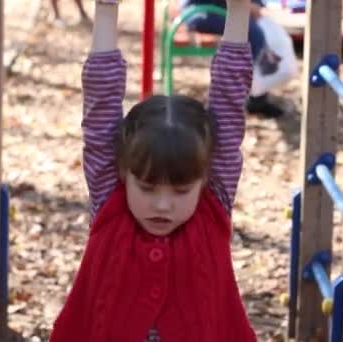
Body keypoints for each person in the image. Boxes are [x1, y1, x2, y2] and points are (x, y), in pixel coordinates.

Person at [49, 0, 257, 340]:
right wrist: (105, 10)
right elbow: (100, 107)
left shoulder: (212, 205)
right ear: (122, 172)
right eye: (147, 187)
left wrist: (237, 11)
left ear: (205, 179)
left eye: (180, 191)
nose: (162, 205)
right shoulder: (110, 201)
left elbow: (230, 103)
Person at [181, 0, 296, 118]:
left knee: (255, 31)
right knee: (253, 33)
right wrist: (248, 6)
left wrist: (255, 4)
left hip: (217, 7)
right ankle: (244, 97)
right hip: (202, 10)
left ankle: (255, 95)